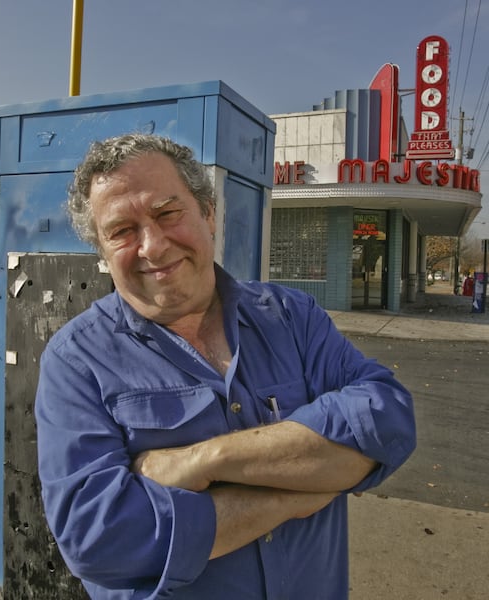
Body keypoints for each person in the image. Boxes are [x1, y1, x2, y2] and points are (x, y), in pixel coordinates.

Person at [35, 134, 416, 599]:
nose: (152, 246)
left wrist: (201, 462)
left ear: (208, 213)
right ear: (102, 250)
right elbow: (99, 540)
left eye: (167, 213)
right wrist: (290, 493)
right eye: (121, 231)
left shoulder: (291, 317)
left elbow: (388, 418)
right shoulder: (76, 360)